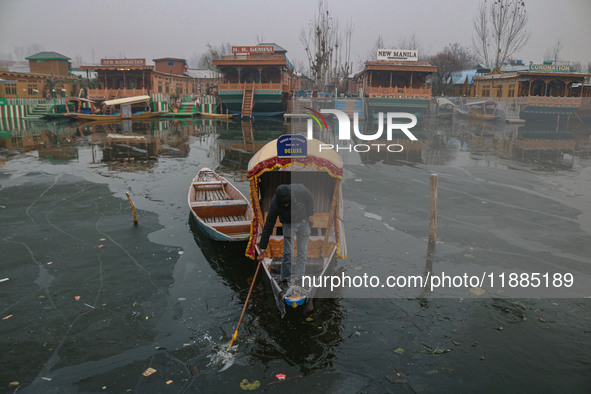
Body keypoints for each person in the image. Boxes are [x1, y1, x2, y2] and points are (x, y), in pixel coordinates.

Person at [257, 184, 315, 289]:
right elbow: (268, 226)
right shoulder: (275, 204)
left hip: (303, 222)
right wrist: (262, 249)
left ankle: (299, 279)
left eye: (287, 203)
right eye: (283, 204)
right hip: (288, 225)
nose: (286, 205)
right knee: (288, 253)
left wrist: (310, 215)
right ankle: (284, 280)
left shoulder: (301, 190)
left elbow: (309, 198)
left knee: (302, 252)